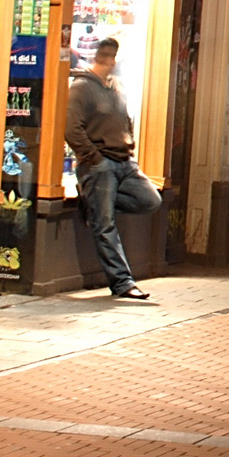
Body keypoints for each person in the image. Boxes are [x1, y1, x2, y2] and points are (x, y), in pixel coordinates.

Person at [64, 38, 161, 299]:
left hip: (124, 161)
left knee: (150, 200)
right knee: (105, 225)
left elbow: (125, 118)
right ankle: (123, 283)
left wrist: (129, 145)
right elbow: (72, 129)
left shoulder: (116, 86)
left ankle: (94, 203)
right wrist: (94, 158)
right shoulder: (82, 87)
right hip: (100, 163)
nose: (111, 60)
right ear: (97, 57)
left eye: (113, 55)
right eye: (106, 55)